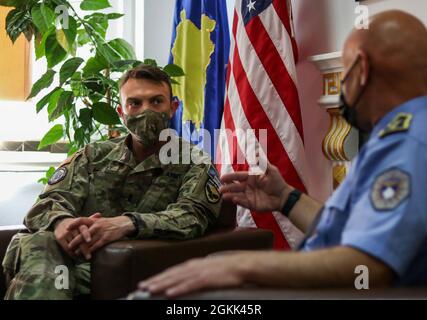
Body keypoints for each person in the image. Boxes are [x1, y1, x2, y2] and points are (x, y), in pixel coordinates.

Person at [138, 10, 427, 298]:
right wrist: (286, 198)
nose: (342, 88)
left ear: (361, 70)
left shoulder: (409, 140)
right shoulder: (397, 134)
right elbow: (344, 230)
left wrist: (242, 266)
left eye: (345, 71)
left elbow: (368, 266)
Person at [2, 65, 222, 299]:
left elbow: (192, 216)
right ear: (121, 112)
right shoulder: (92, 156)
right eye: (135, 103)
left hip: (127, 271)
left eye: (156, 101)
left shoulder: (194, 162)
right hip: (65, 264)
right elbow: (46, 204)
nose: (146, 111)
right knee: (43, 241)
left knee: (39, 271)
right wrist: (62, 223)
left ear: (173, 108)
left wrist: (127, 224)